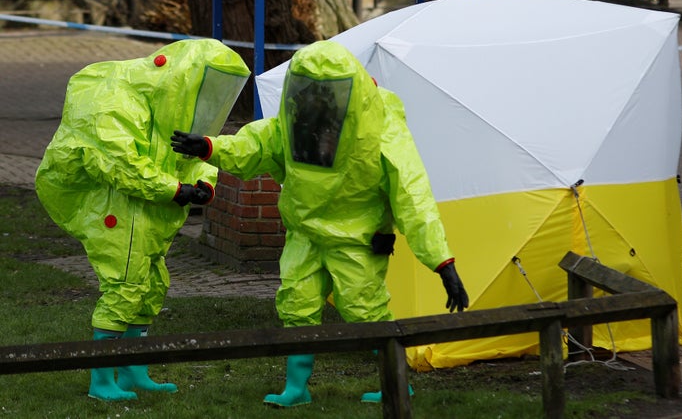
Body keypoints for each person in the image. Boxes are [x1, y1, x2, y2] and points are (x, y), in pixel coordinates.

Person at [171, 40, 469, 407]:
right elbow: (261, 142)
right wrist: (210, 148)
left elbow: (412, 193)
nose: (317, 97)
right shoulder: (299, 118)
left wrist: (442, 261)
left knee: (366, 311)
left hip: (356, 238)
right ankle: (296, 389)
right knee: (297, 306)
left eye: (325, 90)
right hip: (306, 232)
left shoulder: (382, 129)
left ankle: (397, 385)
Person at [35, 38, 250, 401]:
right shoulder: (112, 100)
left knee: (150, 286)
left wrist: (202, 183)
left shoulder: (172, 104)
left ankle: (134, 371)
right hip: (115, 205)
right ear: (183, 75)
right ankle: (102, 381)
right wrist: (177, 190)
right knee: (124, 285)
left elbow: (191, 151)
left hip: (150, 208)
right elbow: (121, 166)